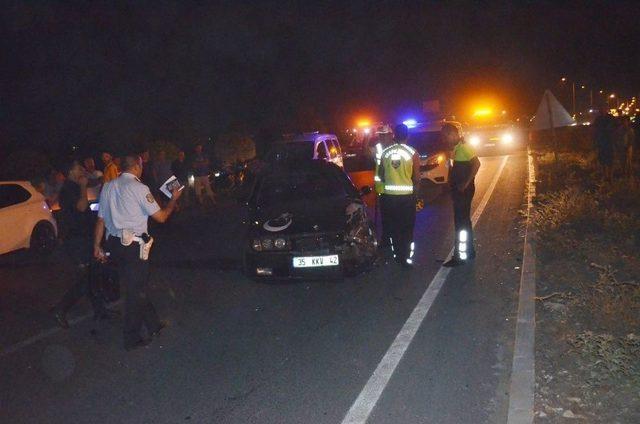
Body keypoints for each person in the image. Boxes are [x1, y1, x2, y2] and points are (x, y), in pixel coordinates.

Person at [93, 155, 182, 351]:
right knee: (134, 292)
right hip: (133, 247)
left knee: (136, 285)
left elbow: (100, 220)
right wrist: (173, 200)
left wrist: (96, 246)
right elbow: (161, 217)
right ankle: (131, 338)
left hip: (114, 245)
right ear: (137, 167)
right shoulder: (139, 188)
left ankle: (153, 324)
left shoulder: (107, 187)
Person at [51, 161, 108, 328]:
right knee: (87, 278)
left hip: (82, 238)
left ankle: (100, 310)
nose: (82, 170)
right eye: (78, 168)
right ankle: (61, 308)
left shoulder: (70, 187)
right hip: (77, 240)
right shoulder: (70, 188)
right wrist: (83, 187)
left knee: (93, 273)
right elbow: (82, 207)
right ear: (71, 172)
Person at [375, 123, 420, 267]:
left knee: (394, 226)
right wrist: (416, 196)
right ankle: (405, 257)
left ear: (394, 135)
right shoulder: (413, 153)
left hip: (389, 197)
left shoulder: (385, 152)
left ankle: (397, 254)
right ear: (407, 135)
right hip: (406, 197)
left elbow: (381, 174)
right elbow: (417, 178)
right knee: (407, 227)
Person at [441, 123, 481, 267]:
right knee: (464, 222)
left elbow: (477, 164)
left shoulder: (464, 147)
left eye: (446, 136)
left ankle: (460, 256)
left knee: (461, 224)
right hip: (459, 190)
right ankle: (469, 251)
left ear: (453, 134)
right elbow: (452, 168)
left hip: (463, 191)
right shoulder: (457, 149)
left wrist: (466, 183)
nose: (444, 139)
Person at [592, 107, 615, 182]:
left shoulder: (611, 118)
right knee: (602, 160)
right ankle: (605, 175)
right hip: (601, 142)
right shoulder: (598, 119)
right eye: (601, 110)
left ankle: (610, 176)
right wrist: (595, 142)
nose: (602, 111)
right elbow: (594, 130)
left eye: (603, 109)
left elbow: (615, 128)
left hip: (610, 141)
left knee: (610, 160)